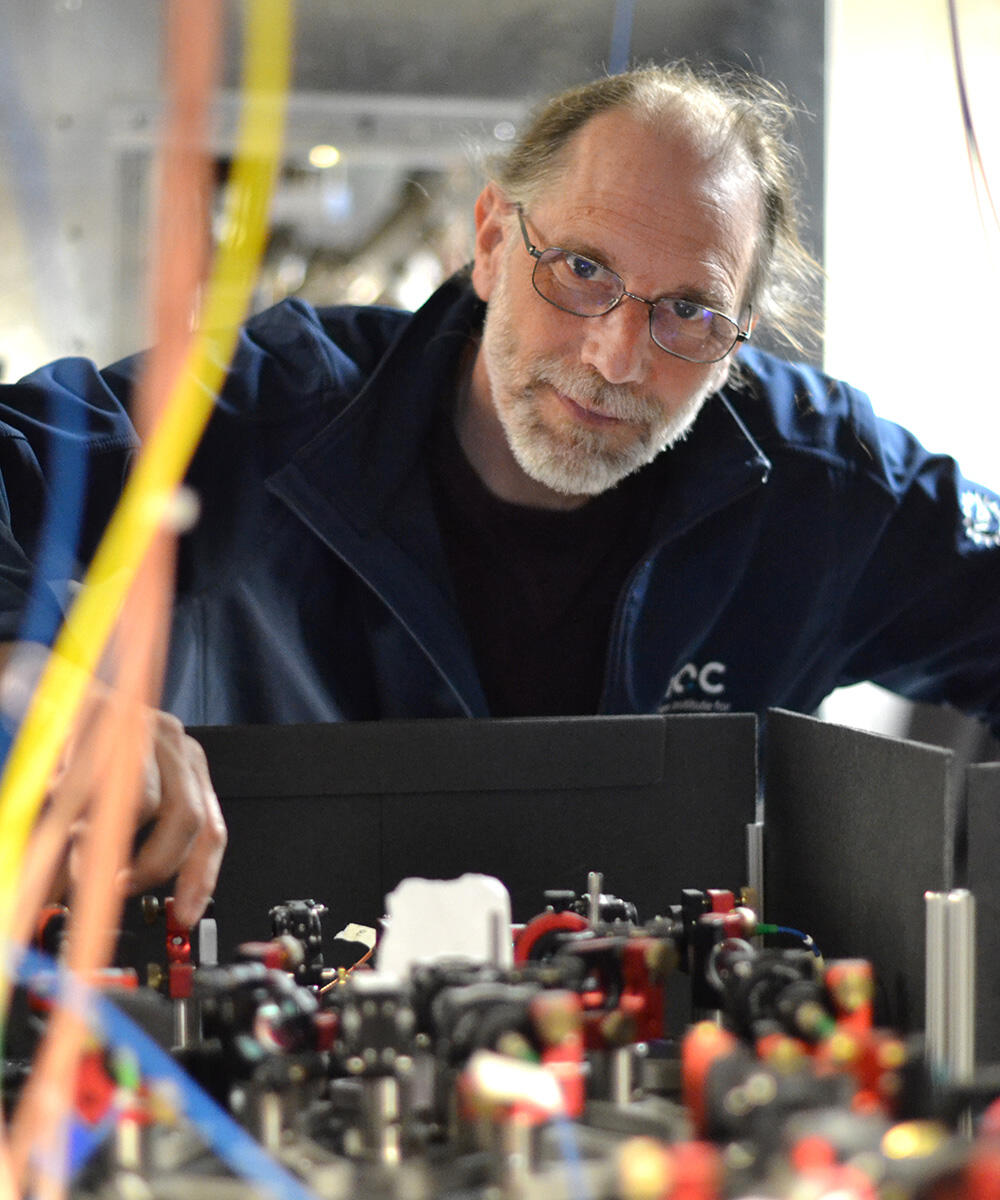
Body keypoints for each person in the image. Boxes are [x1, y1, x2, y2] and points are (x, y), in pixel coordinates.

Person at [2, 63, 1000, 916]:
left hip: (662, 1076)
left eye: (688, 312)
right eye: (580, 269)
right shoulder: (262, 416)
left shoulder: (821, 488)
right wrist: (43, 692)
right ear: (488, 243)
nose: (615, 356)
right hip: (265, 1044)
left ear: (739, 337)